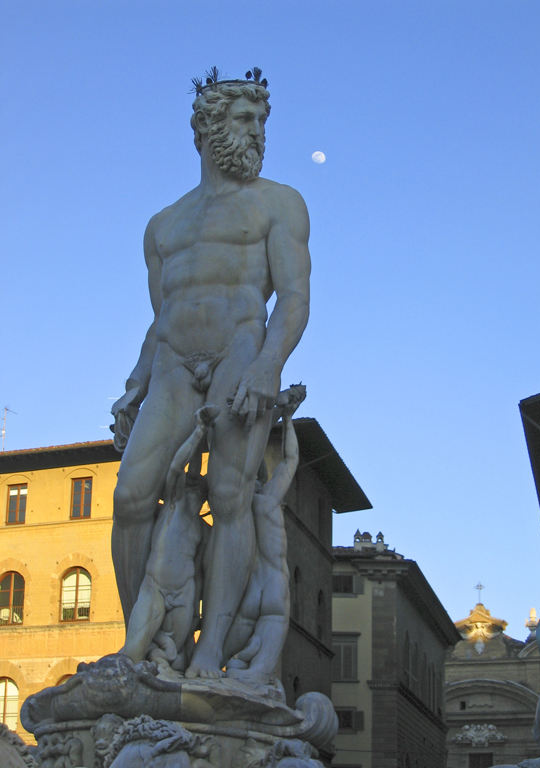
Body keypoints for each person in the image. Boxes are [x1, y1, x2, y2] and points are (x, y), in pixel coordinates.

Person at [110, 69, 311, 680]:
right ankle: (142, 643)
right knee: (131, 496)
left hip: (240, 352)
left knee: (229, 498)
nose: (258, 132)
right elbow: (161, 315)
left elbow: (295, 300)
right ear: (207, 127)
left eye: (262, 122)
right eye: (245, 119)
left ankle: (211, 649)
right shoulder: (162, 225)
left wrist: (266, 365)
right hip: (173, 362)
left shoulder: (280, 202)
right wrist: (135, 383)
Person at [118, 405, 218, 673]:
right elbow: (177, 465)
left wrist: (196, 612)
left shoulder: (202, 529)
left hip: (183, 593)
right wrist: (199, 432)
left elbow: (199, 572)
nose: (194, 484)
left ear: (205, 496)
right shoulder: (173, 503)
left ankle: (159, 669)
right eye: (192, 481)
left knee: (178, 659)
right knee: (133, 650)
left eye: (200, 486)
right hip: (156, 588)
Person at [223, 384, 306, 683]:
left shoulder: (233, 509)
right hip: (273, 589)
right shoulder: (269, 501)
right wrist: (289, 418)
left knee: (222, 661)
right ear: (263, 478)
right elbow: (291, 459)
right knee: (258, 673)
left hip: (247, 594)